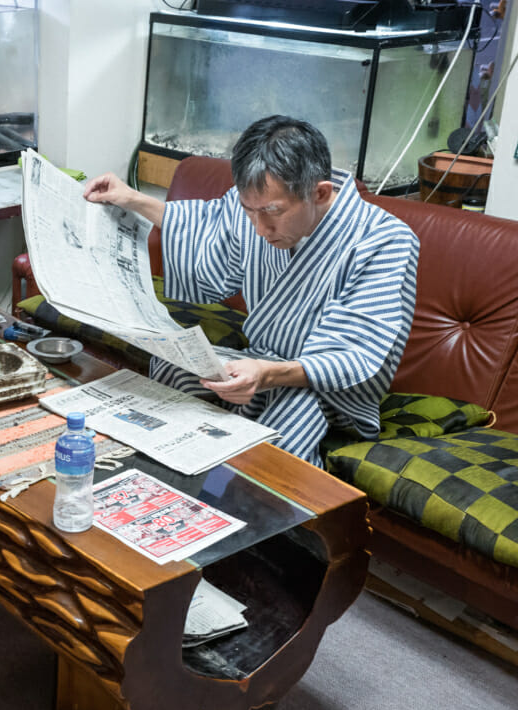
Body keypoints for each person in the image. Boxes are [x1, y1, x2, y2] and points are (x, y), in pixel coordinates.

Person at [81, 115, 419, 466]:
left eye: (272, 213)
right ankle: (160, 482)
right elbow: (204, 230)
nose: (259, 228)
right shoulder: (257, 205)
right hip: (261, 363)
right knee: (170, 370)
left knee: (294, 414)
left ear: (318, 193)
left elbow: (355, 354)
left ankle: (280, 518)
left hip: (330, 391)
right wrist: (131, 198)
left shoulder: (385, 241)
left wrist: (267, 374)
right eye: (249, 211)